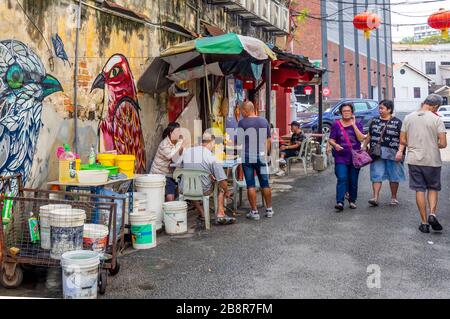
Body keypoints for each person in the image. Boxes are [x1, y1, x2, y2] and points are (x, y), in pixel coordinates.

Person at [399, 94, 447, 233]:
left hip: (414, 159)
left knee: (419, 189)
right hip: (432, 159)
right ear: (435, 106)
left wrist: (414, 143)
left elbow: (402, 140)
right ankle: (432, 213)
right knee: (433, 188)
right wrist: (432, 144)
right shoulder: (437, 119)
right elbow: (443, 143)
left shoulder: (408, 117)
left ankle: (424, 222)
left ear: (424, 102)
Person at [181, 132, 236, 225]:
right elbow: (222, 181)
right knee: (221, 186)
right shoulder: (210, 156)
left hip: (185, 188)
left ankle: (202, 213)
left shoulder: (188, 151)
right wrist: (227, 191)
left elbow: (188, 168)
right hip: (203, 189)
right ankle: (220, 214)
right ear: (212, 142)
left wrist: (209, 175)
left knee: (192, 184)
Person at [362, 100, 405, 206]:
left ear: (389, 110)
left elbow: (403, 139)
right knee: (376, 174)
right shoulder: (374, 121)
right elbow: (370, 135)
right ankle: (375, 197)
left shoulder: (398, 122)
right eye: (379, 108)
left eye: (382, 108)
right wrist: (364, 145)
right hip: (377, 153)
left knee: (394, 175)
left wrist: (400, 151)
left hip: (393, 153)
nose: (379, 110)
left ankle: (394, 197)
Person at [237, 101, 273, 220]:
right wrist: (266, 153)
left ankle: (254, 212)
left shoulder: (242, 122)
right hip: (261, 155)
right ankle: (269, 210)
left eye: (242, 111)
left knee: (250, 184)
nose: (241, 113)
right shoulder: (264, 121)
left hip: (247, 156)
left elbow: (240, 141)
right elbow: (268, 140)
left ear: (246, 110)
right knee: (265, 183)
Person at [328, 103, 366, 211]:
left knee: (353, 180)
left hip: (355, 157)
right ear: (341, 113)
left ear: (352, 112)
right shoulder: (336, 124)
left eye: (348, 111)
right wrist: (335, 145)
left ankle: (352, 200)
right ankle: (340, 202)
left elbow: (361, 139)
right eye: (344, 111)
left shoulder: (358, 124)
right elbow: (331, 139)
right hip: (341, 156)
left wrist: (353, 124)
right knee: (342, 178)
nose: (346, 113)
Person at [150, 122, 184, 201]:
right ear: (171, 133)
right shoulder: (164, 144)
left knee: (183, 183)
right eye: (177, 132)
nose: (179, 134)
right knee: (170, 195)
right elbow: (172, 157)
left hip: (169, 173)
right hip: (160, 174)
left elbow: (179, 157)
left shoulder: (175, 142)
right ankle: (169, 209)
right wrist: (180, 143)